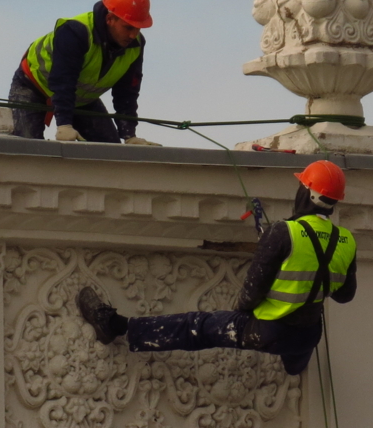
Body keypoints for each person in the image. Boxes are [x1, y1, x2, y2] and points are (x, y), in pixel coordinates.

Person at [76, 160, 357, 376]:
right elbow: (345, 295)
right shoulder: (347, 240)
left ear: (306, 191)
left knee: (197, 327)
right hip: (306, 337)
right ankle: (294, 368)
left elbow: (251, 293)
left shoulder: (284, 233)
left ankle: (115, 326)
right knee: (301, 334)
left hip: (269, 331)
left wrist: (239, 316)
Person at [11, 0, 159, 146]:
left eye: (138, 28)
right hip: (33, 86)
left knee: (112, 151)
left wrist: (129, 135)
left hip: (81, 100)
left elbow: (127, 93)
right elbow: (63, 81)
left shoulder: (136, 45)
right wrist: (64, 125)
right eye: (128, 28)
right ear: (110, 19)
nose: (133, 35)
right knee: (29, 148)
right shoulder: (75, 32)